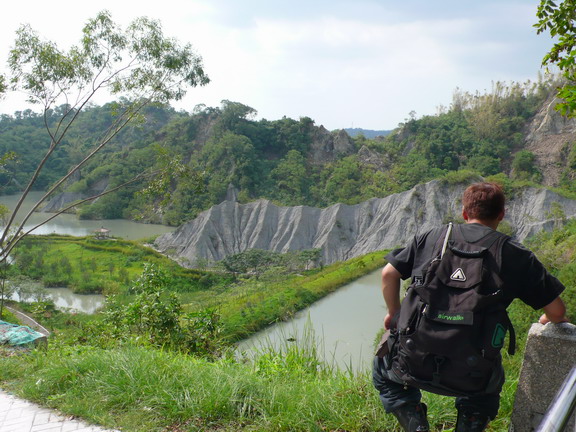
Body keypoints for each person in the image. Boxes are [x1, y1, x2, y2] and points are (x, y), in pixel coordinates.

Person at [372, 182, 569, 432]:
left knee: (383, 369)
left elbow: (389, 273)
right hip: (474, 373)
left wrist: (393, 312)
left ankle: (415, 423)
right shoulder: (516, 255)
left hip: (412, 360)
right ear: (501, 215)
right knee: (487, 387)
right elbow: (557, 312)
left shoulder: (433, 237)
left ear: (465, 213)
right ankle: (470, 424)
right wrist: (545, 318)